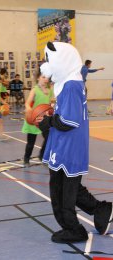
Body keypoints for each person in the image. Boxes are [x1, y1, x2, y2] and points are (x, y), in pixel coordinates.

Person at [38, 41, 113, 244]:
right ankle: (102, 210)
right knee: (70, 187)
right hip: (66, 143)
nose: (46, 64)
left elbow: (68, 121)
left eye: (49, 59)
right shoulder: (70, 81)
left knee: (62, 191)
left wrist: (48, 121)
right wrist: (51, 119)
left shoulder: (71, 85)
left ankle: (74, 229)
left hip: (69, 145)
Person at [22, 66, 53, 167]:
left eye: (47, 77)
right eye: (43, 77)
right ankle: (26, 158)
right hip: (34, 119)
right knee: (31, 142)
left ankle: (42, 156)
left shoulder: (49, 90)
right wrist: (29, 109)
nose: (46, 79)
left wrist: (52, 106)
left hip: (44, 119)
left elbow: (50, 102)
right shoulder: (34, 90)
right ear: (39, 78)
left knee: (49, 138)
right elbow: (27, 103)